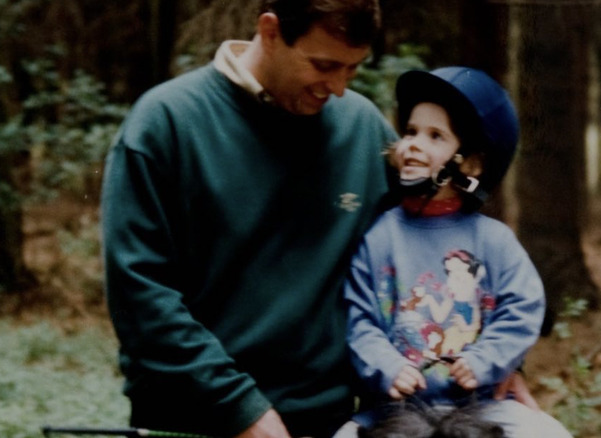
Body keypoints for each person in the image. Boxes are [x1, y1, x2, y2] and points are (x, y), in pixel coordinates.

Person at [102, 0, 541, 437]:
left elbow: (438, 238)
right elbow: (141, 295)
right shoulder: (166, 125)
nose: (337, 88)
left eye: (351, 70)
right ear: (270, 32)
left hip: (326, 419)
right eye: (324, 65)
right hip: (192, 418)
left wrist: (497, 357)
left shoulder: (361, 129)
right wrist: (238, 410)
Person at [341, 67, 572, 438]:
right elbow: (360, 321)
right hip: (393, 410)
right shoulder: (380, 237)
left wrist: (486, 361)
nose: (414, 143)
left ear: (472, 164)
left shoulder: (493, 241)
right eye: (411, 131)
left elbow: (523, 308)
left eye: (435, 136)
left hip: (483, 404)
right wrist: (385, 366)